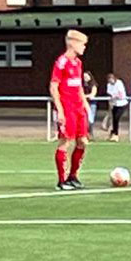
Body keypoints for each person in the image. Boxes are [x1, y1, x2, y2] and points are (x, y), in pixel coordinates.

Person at [49, 29, 90, 190]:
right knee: (65, 141)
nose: (84, 47)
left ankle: (73, 176)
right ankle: (61, 180)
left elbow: (78, 84)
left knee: (83, 142)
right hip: (67, 108)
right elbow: (53, 87)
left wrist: (84, 102)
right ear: (73, 43)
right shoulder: (61, 62)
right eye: (83, 44)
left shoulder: (78, 63)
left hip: (78, 107)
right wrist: (59, 110)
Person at [105, 73, 129, 141]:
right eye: (109, 80)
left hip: (122, 104)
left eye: (111, 79)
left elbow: (120, 94)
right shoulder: (109, 85)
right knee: (114, 120)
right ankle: (114, 133)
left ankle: (115, 134)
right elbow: (109, 93)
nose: (110, 81)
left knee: (117, 118)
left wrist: (115, 95)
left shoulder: (119, 83)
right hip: (114, 104)